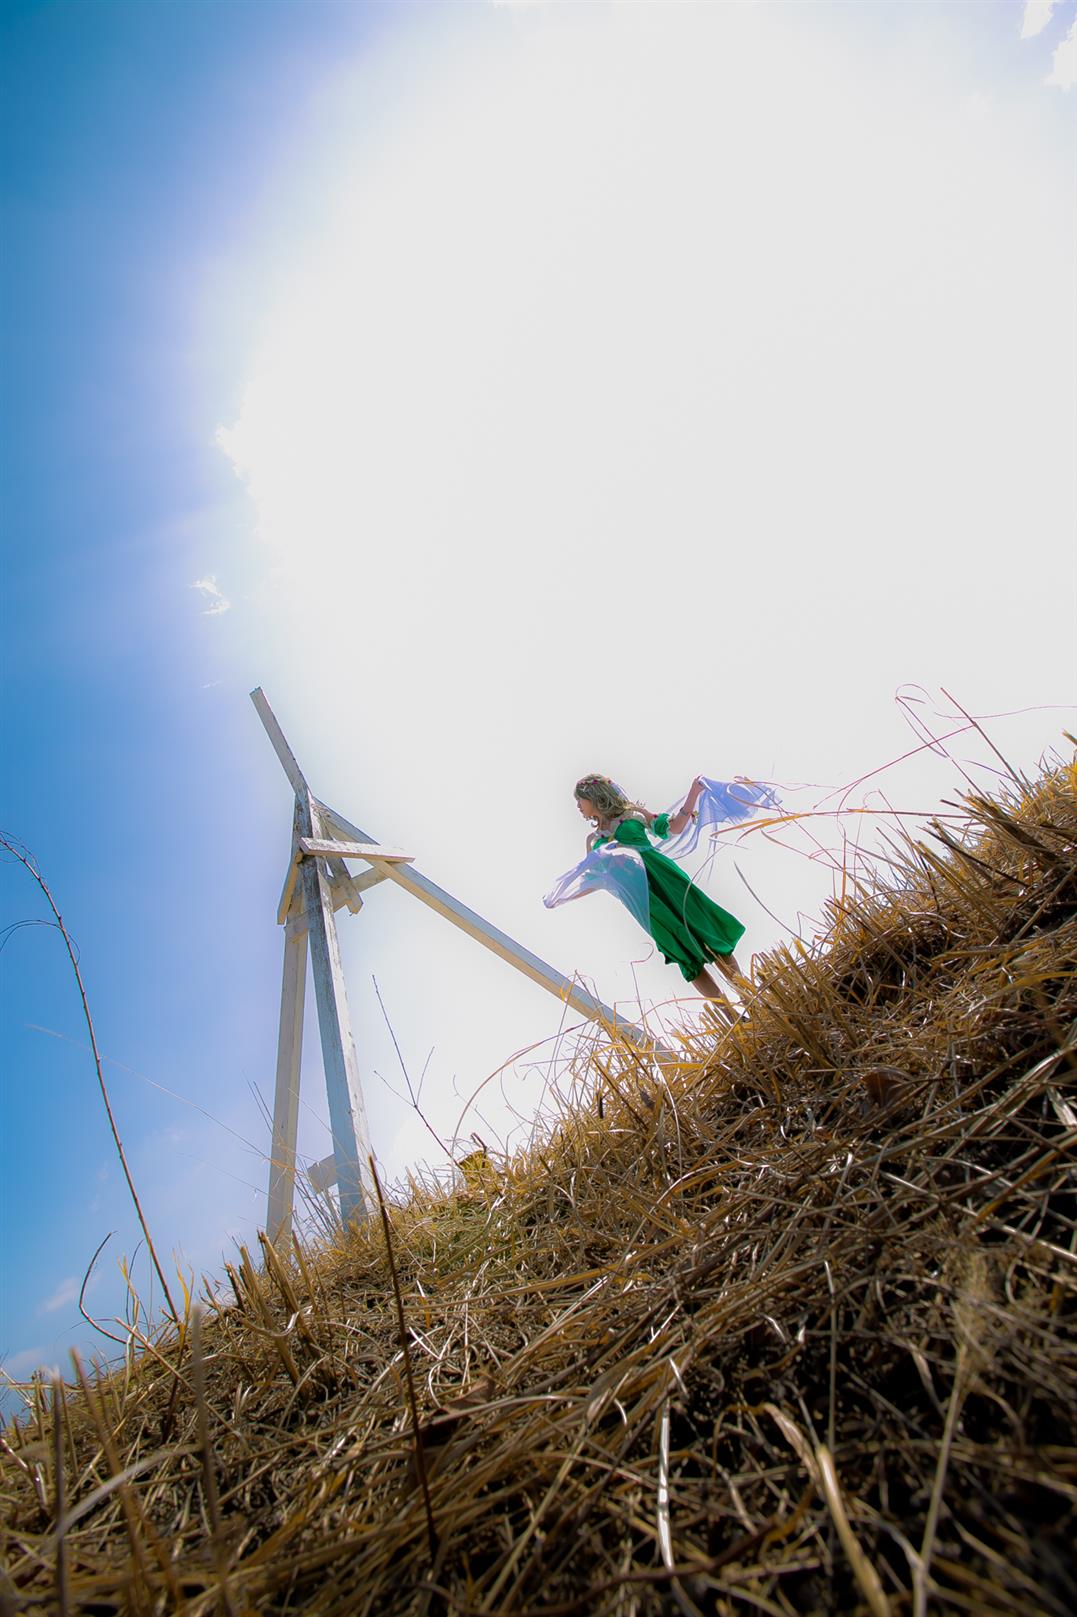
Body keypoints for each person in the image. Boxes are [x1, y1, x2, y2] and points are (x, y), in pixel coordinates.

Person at [544, 772, 779, 1006]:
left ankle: (748, 998)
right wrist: (563, 897)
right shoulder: (593, 841)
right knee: (681, 950)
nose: (578, 806)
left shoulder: (633, 815)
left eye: (580, 800)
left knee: (705, 930)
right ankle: (729, 1014)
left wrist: (693, 793)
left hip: (665, 879)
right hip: (642, 899)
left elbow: (673, 828)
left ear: (594, 796)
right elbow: (594, 879)